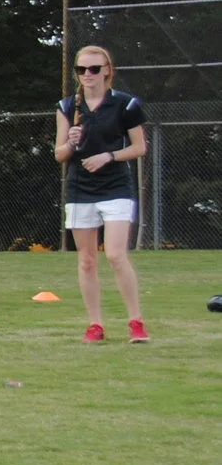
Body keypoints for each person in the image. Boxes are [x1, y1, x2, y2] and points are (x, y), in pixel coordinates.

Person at [56, 44, 149, 343]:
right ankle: (95, 325)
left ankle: (136, 322)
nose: (88, 74)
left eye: (94, 69)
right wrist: (71, 142)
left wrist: (109, 156)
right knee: (86, 260)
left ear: (107, 71)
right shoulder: (67, 107)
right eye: (81, 69)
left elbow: (140, 147)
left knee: (116, 255)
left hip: (116, 187)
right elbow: (59, 154)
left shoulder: (125, 104)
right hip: (80, 188)